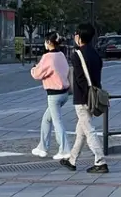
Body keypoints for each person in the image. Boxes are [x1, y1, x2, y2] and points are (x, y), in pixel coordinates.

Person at [59, 23, 109, 174]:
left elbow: (80, 79)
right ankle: (72, 159)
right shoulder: (95, 54)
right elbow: (97, 77)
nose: (75, 36)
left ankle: (100, 161)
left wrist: (85, 97)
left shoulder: (77, 55)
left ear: (80, 37)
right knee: (81, 130)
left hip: (82, 98)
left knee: (89, 131)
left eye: (76, 34)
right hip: (94, 96)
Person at [29, 32, 71, 160]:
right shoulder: (61, 55)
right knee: (47, 119)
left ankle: (64, 149)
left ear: (48, 42)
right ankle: (42, 147)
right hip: (64, 93)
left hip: (54, 94)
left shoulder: (47, 57)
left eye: (45, 41)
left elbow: (37, 74)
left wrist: (33, 69)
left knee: (57, 121)